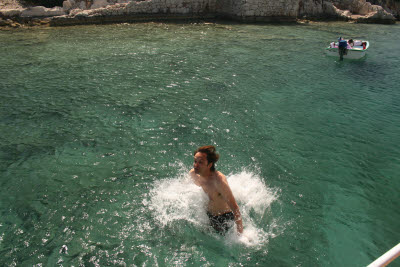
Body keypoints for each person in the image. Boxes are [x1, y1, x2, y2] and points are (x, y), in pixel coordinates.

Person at [189, 145, 243, 235]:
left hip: (223, 219)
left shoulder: (219, 181)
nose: (196, 165)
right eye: (195, 161)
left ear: (209, 165)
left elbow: (235, 207)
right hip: (207, 216)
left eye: (200, 162)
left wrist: (240, 234)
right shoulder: (193, 174)